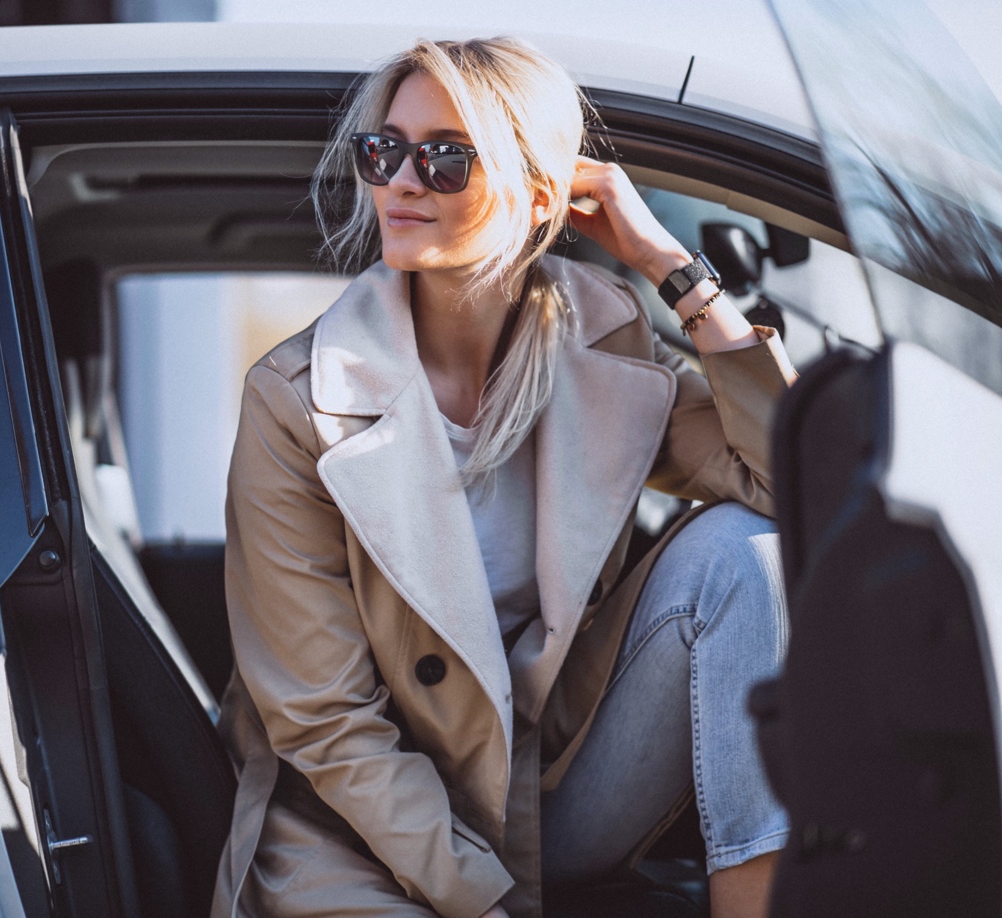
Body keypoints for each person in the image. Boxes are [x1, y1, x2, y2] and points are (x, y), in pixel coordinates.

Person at [210, 36, 797, 918]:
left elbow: (792, 488)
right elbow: (324, 723)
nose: (403, 181)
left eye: (448, 157)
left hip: (546, 785)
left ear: (538, 198)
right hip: (359, 831)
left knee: (743, 553)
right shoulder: (296, 401)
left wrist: (667, 269)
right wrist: (486, 903)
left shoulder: (600, 351)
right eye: (385, 151)